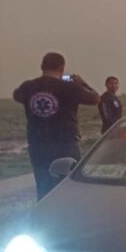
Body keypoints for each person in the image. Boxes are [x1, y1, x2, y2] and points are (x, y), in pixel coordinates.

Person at [13, 52, 99, 199]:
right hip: (65, 143)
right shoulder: (69, 87)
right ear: (62, 67)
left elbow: (17, 95)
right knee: (69, 185)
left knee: (43, 186)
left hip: (37, 144)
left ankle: (45, 215)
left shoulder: (28, 87)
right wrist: (82, 83)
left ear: (41, 66)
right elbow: (95, 98)